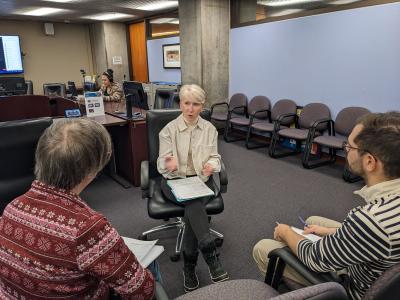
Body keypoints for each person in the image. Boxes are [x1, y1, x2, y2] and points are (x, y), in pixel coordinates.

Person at [0, 119, 155, 299]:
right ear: (94, 168)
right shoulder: (87, 227)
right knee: (150, 271)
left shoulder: (12, 207)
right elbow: (142, 291)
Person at [253, 111, 400, 300]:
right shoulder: (384, 213)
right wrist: (329, 231)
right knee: (314, 222)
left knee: (264, 247)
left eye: (349, 147)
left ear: (370, 162)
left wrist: (286, 232)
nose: (346, 149)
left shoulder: (371, 220)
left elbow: (316, 258)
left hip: (352, 289)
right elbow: (373, 237)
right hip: (379, 262)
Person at [157, 84, 229, 292]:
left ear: (202, 106)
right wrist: (167, 163)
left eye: (195, 104)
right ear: (180, 104)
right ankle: (209, 253)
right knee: (194, 203)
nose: (190, 109)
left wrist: (212, 166)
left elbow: (215, 157)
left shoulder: (210, 129)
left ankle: (189, 267)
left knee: (192, 205)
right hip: (174, 181)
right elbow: (161, 162)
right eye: (186, 103)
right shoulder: (168, 130)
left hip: (201, 180)